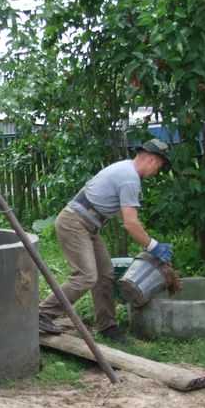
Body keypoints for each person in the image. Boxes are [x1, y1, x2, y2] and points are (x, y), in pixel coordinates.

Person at [38, 139, 173, 341]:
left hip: (87, 224)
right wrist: (153, 246)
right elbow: (130, 224)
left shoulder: (125, 169)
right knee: (86, 276)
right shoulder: (130, 178)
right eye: (158, 168)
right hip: (75, 223)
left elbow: (126, 216)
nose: (156, 173)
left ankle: (107, 326)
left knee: (104, 274)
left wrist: (143, 237)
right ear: (152, 160)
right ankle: (42, 314)